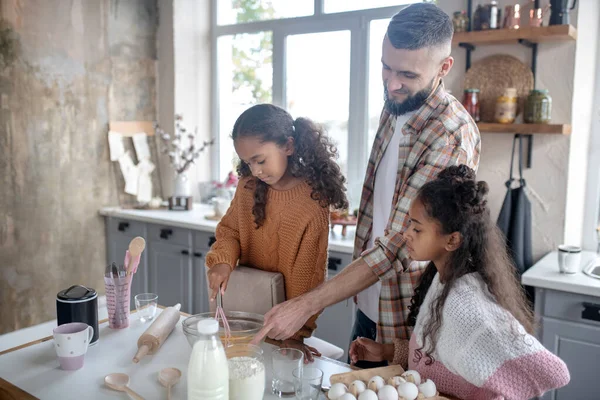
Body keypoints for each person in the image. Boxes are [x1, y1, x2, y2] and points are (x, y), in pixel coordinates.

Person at [252, 3, 481, 362]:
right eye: (386, 67)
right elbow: (380, 206)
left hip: (408, 320)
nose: (392, 83)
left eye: (406, 73)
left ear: (444, 67)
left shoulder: (449, 135)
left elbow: (399, 243)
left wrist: (306, 304)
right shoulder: (396, 105)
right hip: (370, 304)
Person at [348, 165, 570, 399]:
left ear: (452, 240)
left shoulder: (465, 304)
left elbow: (551, 371)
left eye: (417, 228)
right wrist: (387, 351)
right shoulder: (441, 279)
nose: (406, 234)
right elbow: (440, 356)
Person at [205, 103, 348, 362]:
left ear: (289, 146)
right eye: (248, 163)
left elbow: (309, 278)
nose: (255, 171)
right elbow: (229, 231)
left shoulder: (312, 202)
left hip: (283, 327)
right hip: (243, 316)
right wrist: (223, 261)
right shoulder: (248, 186)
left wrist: (295, 334)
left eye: (260, 160)